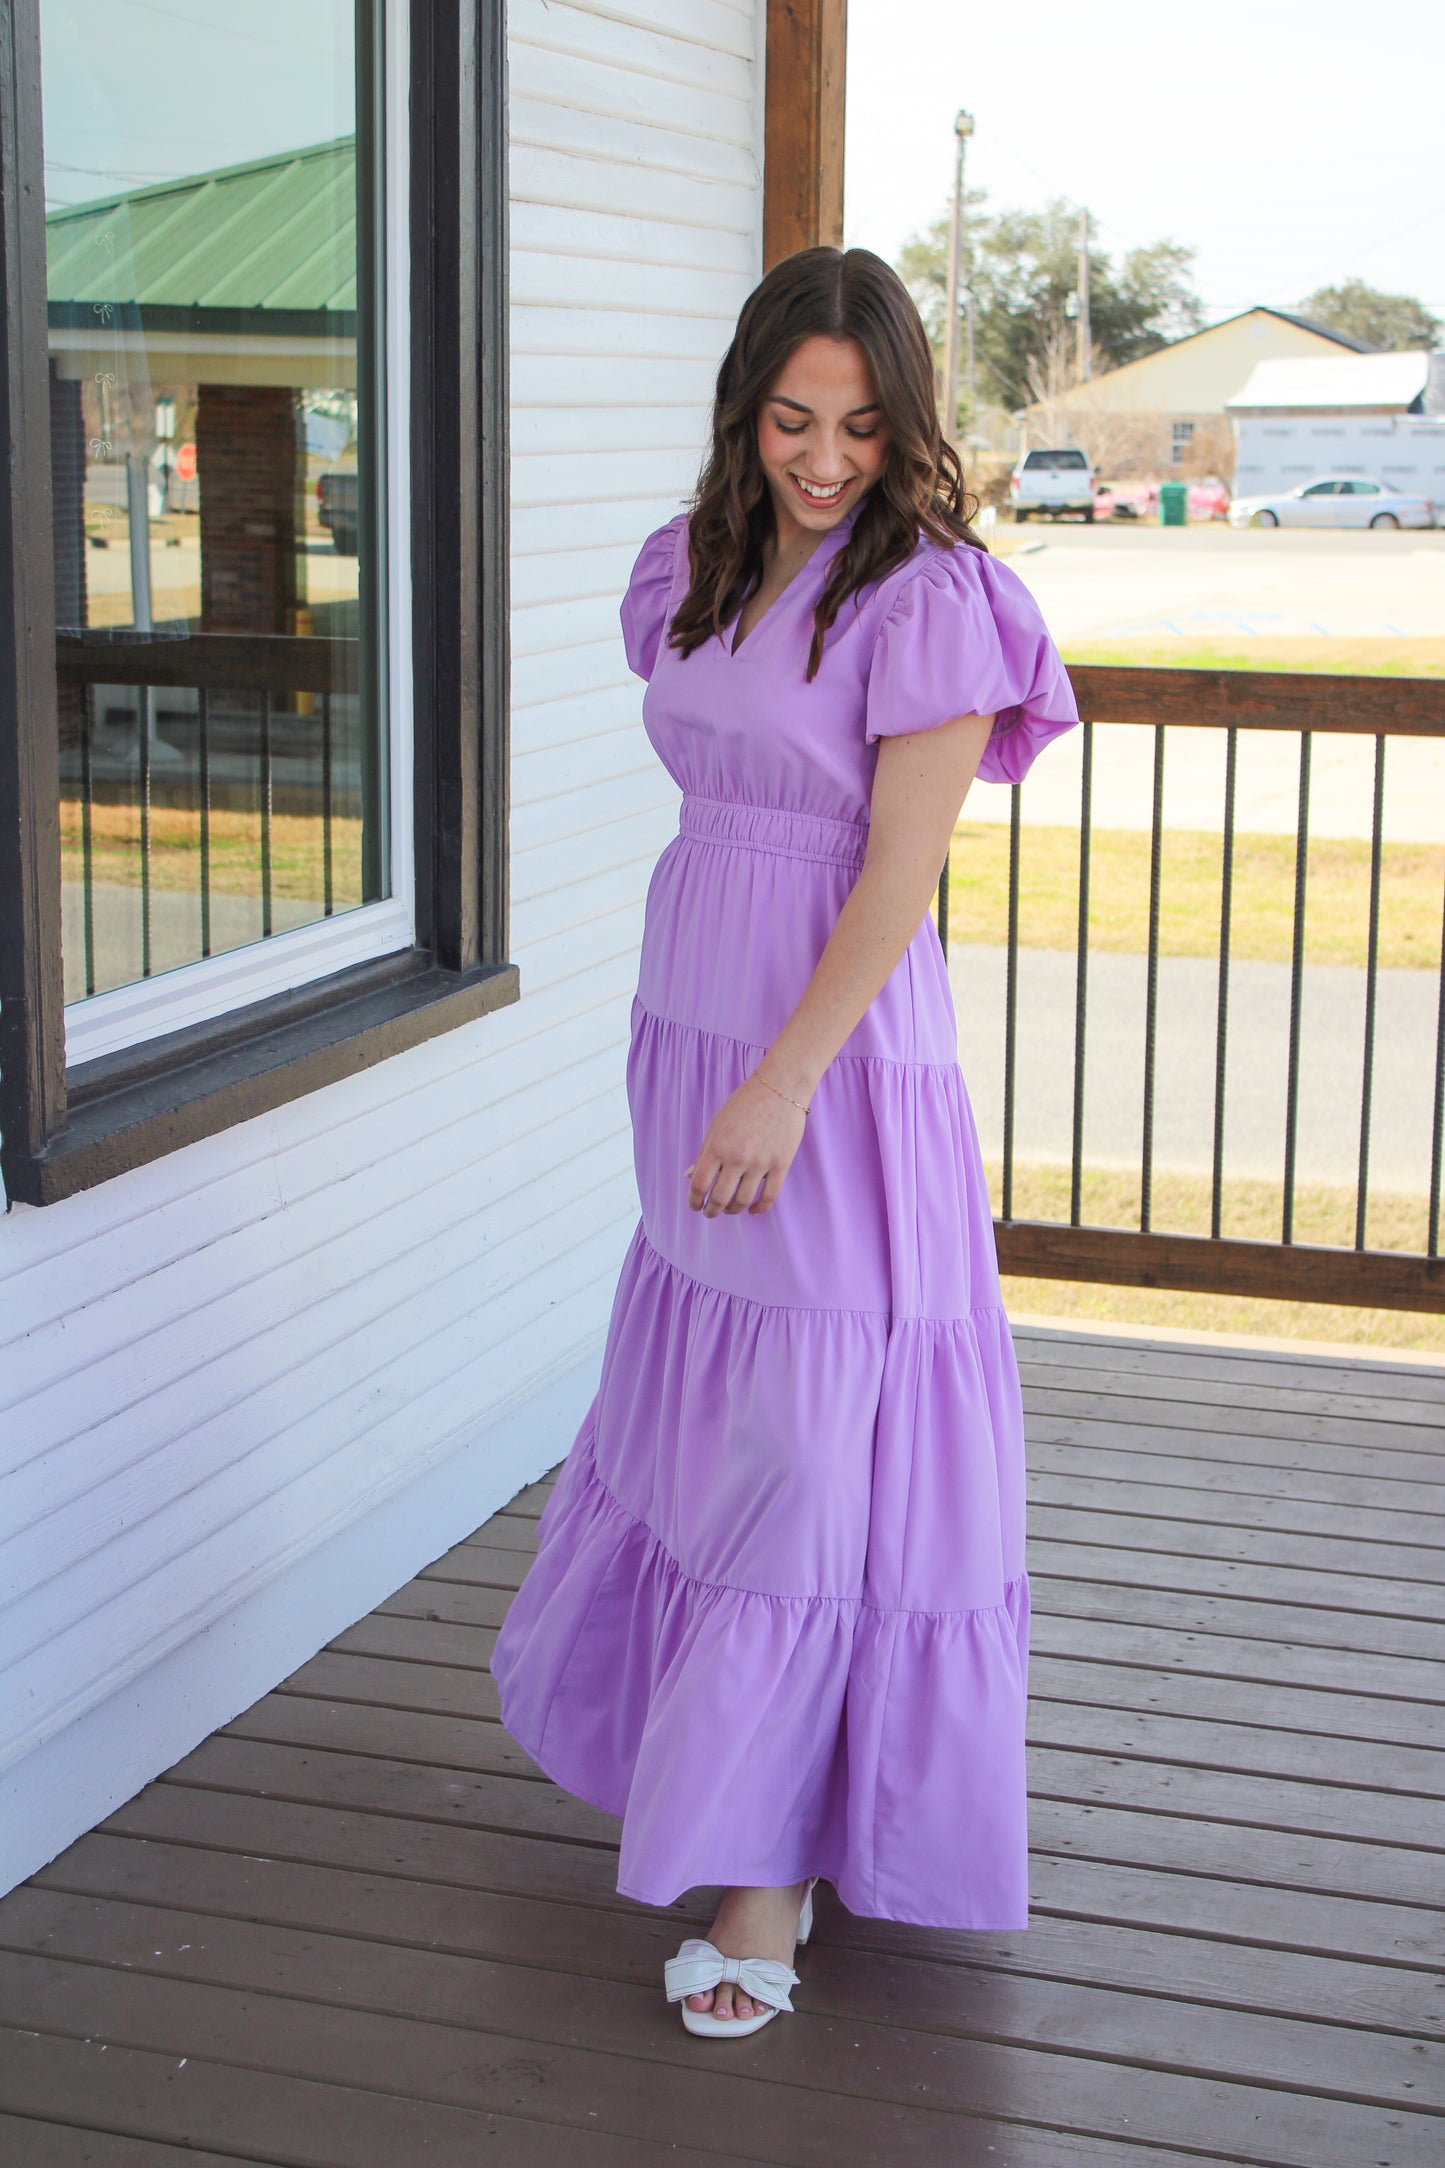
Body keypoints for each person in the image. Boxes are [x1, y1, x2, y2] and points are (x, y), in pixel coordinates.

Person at [492, 245, 1078, 2039]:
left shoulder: (936, 599)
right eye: (789, 419)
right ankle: (743, 1785)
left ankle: (769, 1877)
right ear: (746, 414)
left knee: (819, 1443)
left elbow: (897, 875)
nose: (823, 458)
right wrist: (718, 1068)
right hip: (694, 1020)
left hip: (827, 1051)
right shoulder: (703, 562)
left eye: (859, 424)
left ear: (909, 426)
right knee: (728, 1415)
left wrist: (783, 1082)